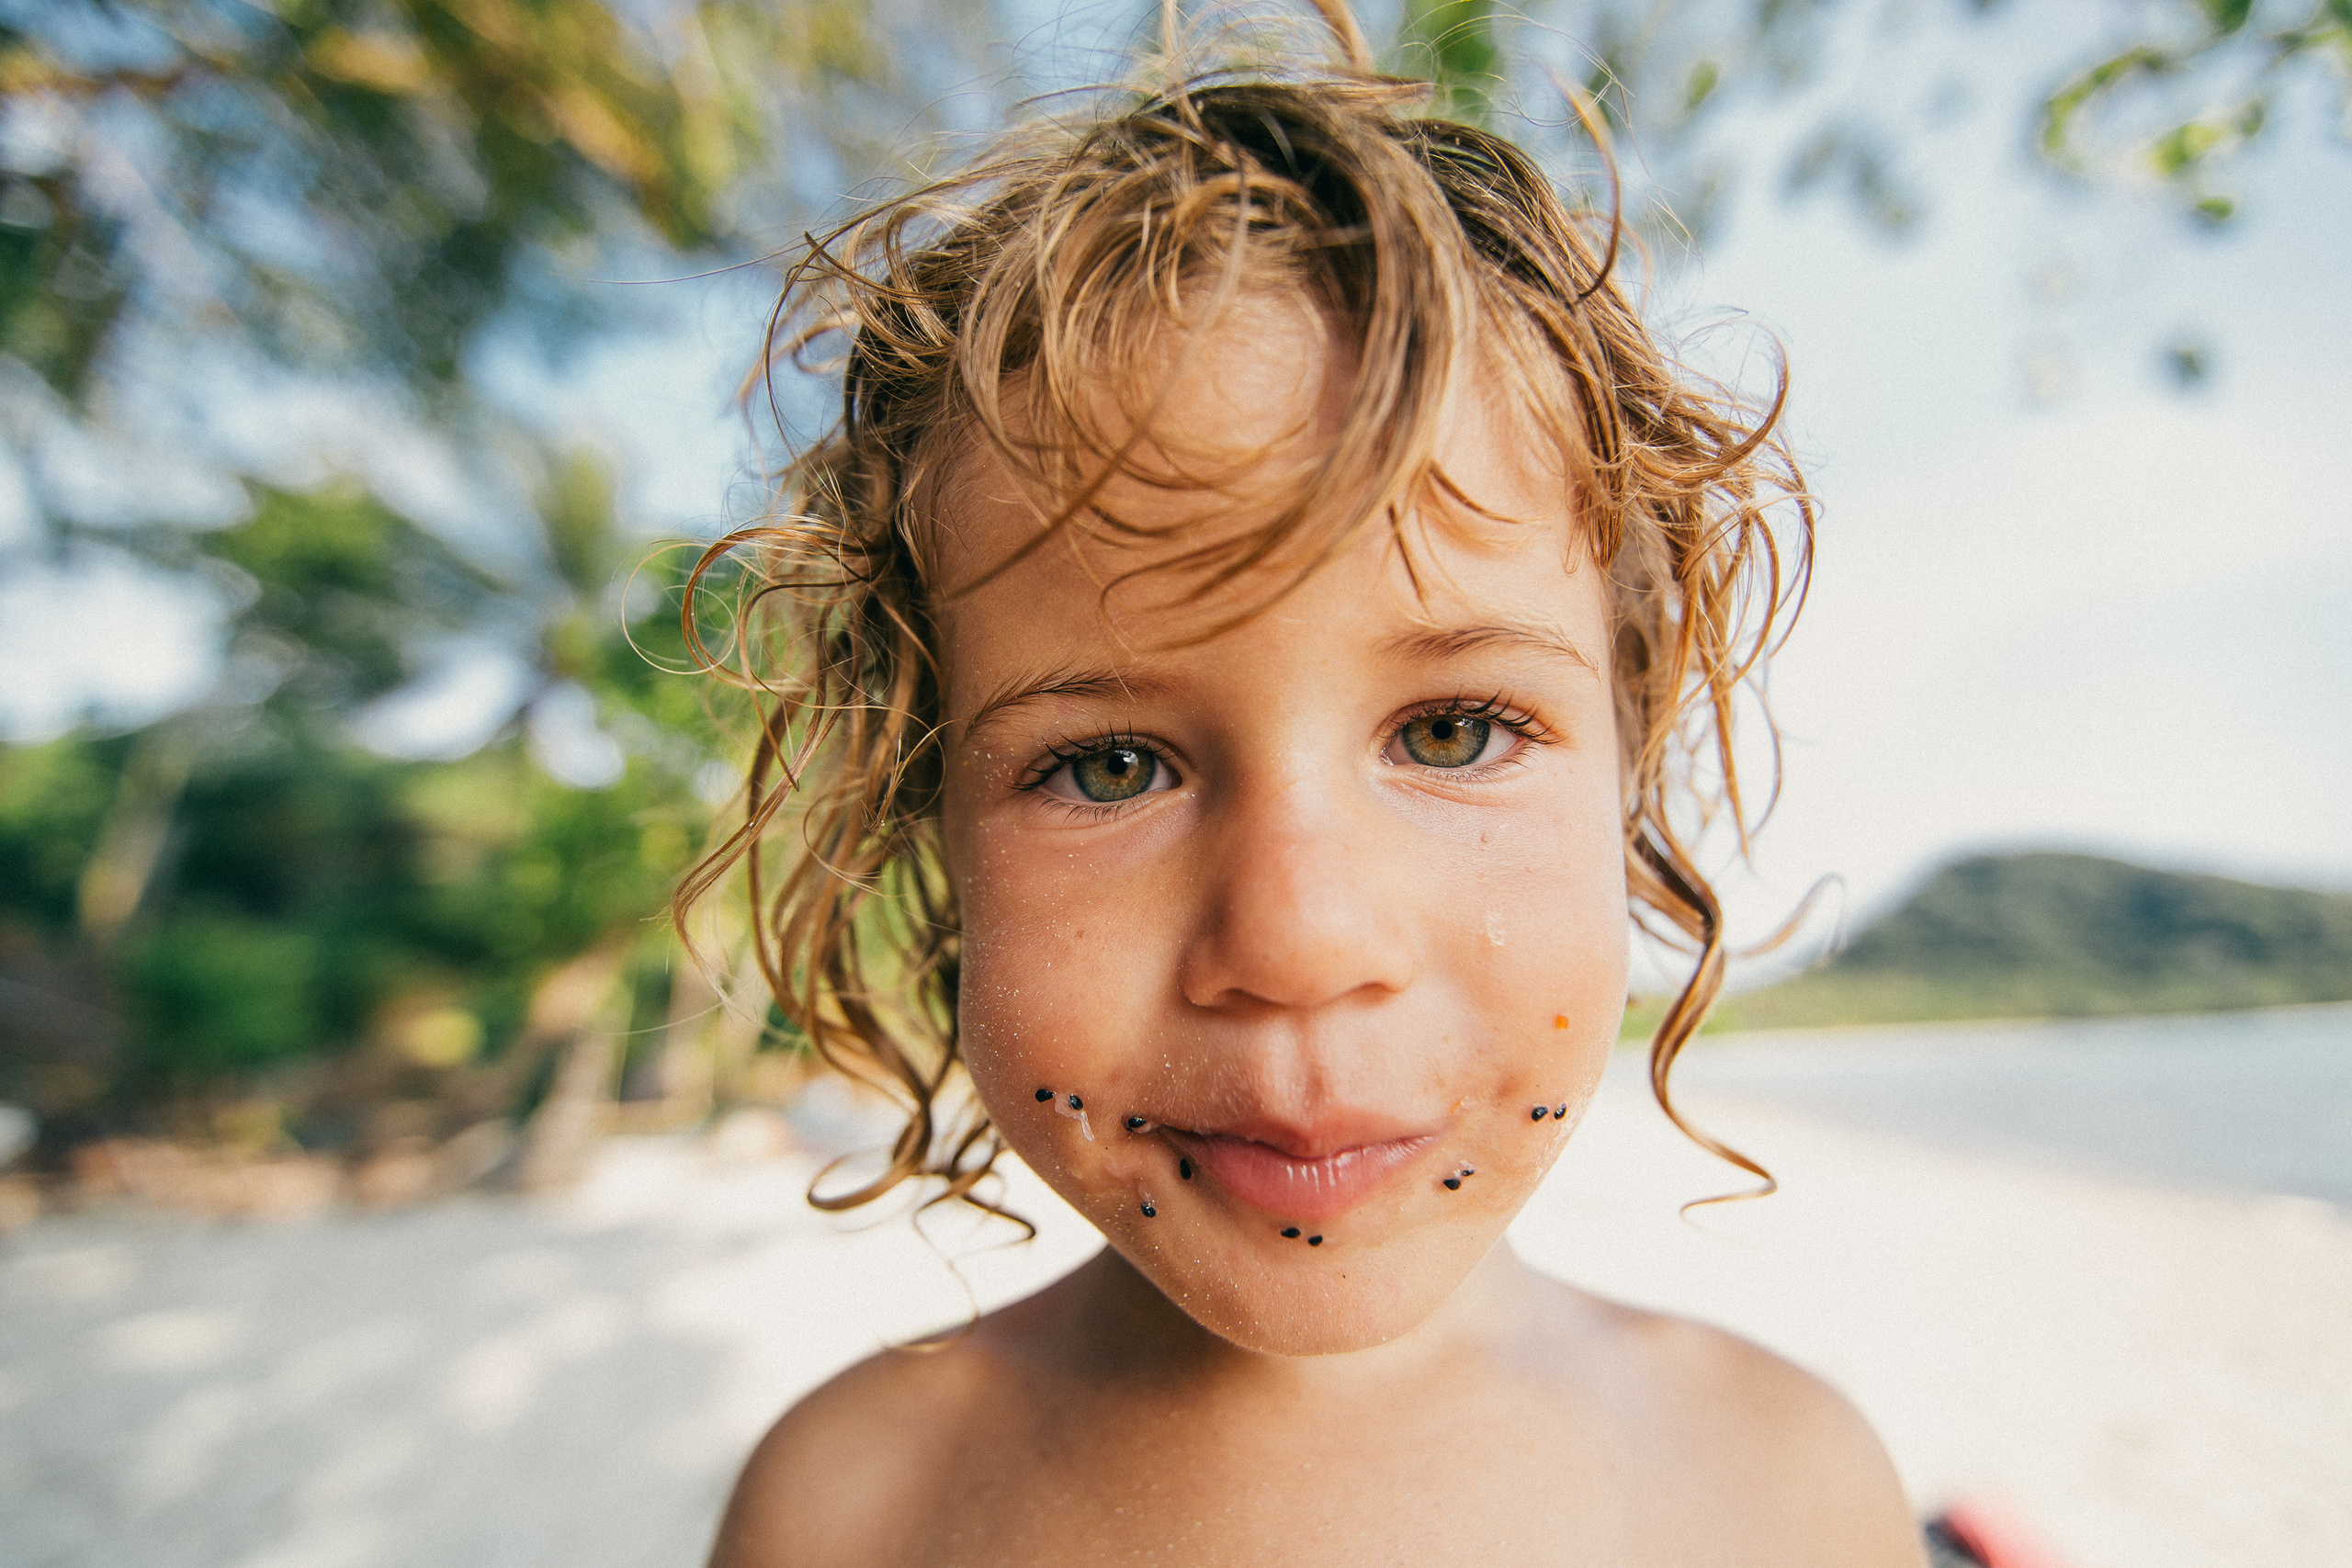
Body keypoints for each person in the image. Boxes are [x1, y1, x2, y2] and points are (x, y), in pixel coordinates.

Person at [682, 3, 1923, 1561]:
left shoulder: (1789, 1486)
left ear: (1633, 765)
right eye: (1111, 765)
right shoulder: (851, 1505)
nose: (1298, 941)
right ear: (927, 821)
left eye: (1454, 730)